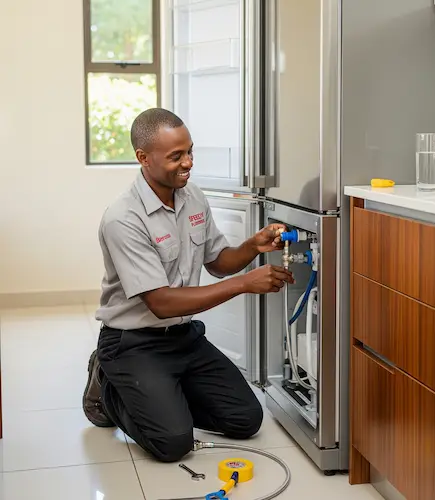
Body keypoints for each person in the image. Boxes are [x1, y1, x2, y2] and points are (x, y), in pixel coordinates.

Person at [82, 108, 294, 463]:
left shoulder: (192, 196)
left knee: (246, 419)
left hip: (184, 339)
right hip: (133, 343)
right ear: (143, 158)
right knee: (172, 443)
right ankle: (108, 386)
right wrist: (245, 284)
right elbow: (161, 303)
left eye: (190, 151)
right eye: (176, 156)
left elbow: (217, 261)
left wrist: (251, 246)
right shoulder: (124, 218)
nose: (188, 163)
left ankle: (164, 396)